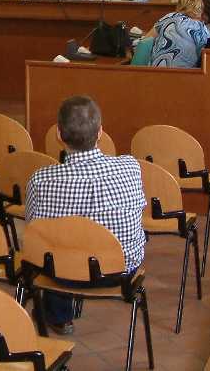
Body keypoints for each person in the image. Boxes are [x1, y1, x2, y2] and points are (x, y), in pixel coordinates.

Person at [25, 96, 146, 335]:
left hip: (61, 272)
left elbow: (32, 228)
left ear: (59, 135)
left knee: (51, 242)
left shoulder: (40, 179)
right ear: (100, 132)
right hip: (120, 271)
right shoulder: (131, 167)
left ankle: (58, 317)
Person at [149, 0, 210, 68]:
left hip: (157, 70)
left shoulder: (170, 16)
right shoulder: (203, 29)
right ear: (200, 9)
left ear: (180, 5)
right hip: (187, 73)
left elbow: (147, 39)